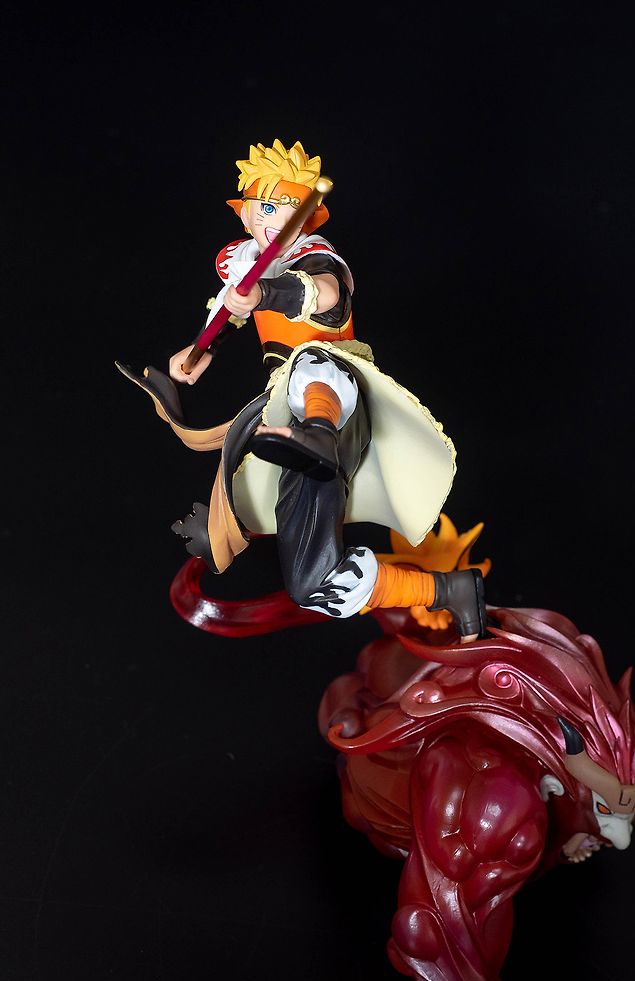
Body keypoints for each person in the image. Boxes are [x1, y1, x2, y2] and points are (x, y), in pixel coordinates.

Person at [118, 139, 485, 639]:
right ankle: (449, 590)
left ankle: (318, 432)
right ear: (245, 213)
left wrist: (266, 294)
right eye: (268, 207)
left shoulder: (315, 256)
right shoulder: (246, 262)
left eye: (291, 209)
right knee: (313, 583)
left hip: (338, 392)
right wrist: (200, 351)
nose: (278, 220)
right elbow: (231, 310)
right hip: (292, 415)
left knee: (309, 364)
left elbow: (327, 296)